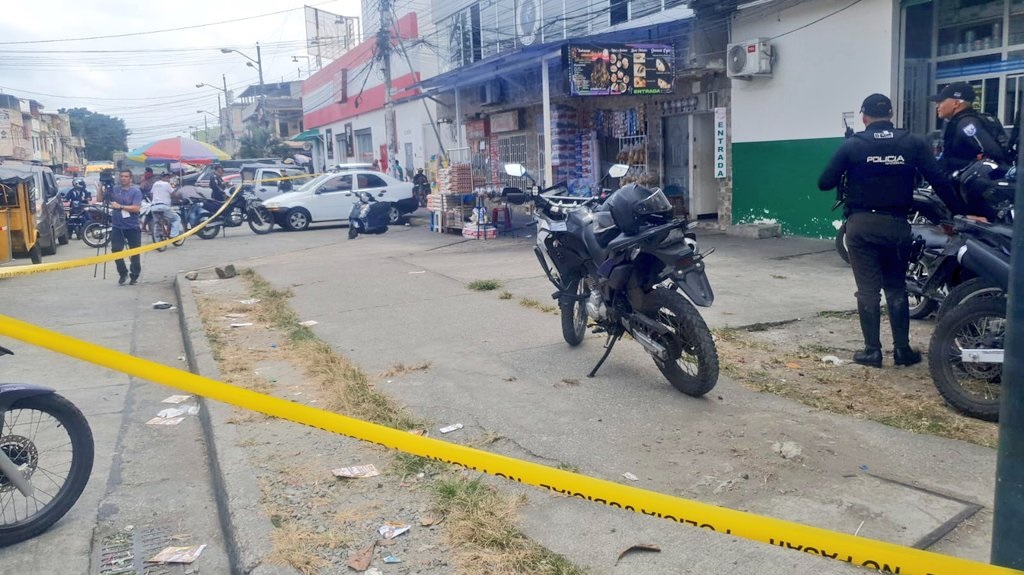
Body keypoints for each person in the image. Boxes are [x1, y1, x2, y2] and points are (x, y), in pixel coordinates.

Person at [818, 93, 966, 368]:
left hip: (861, 226)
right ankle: (903, 351)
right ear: (891, 115)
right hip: (896, 225)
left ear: (864, 117)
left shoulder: (853, 145)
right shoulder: (913, 142)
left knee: (868, 291)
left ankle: (872, 352)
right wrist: (960, 213)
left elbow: (824, 183)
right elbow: (939, 180)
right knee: (896, 288)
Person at [931, 81, 1012, 219]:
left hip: (972, 196)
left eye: (941, 101)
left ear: (957, 103)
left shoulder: (966, 123)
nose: (938, 105)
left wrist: (965, 171)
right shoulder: (957, 122)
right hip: (965, 192)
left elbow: (992, 152)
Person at [101, 169, 143, 286]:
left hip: (132, 226)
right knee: (116, 250)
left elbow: (136, 208)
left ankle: (134, 275)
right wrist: (101, 184)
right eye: (121, 176)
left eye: (126, 176)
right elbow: (100, 199)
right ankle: (122, 273)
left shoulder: (135, 191)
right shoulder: (114, 189)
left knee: (134, 252)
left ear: (130, 178)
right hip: (117, 225)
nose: (123, 178)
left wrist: (120, 207)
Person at [150, 172, 183, 238]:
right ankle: (173, 235)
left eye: (168, 178)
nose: (168, 179)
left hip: (154, 206)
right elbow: (174, 194)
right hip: (164, 206)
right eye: (166, 178)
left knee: (158, 222)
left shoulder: (155, 184)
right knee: (176, 219)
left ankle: (158, 237)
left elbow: (151, 194)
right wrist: (180, 198)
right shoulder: (167, 184)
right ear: (162, 178)